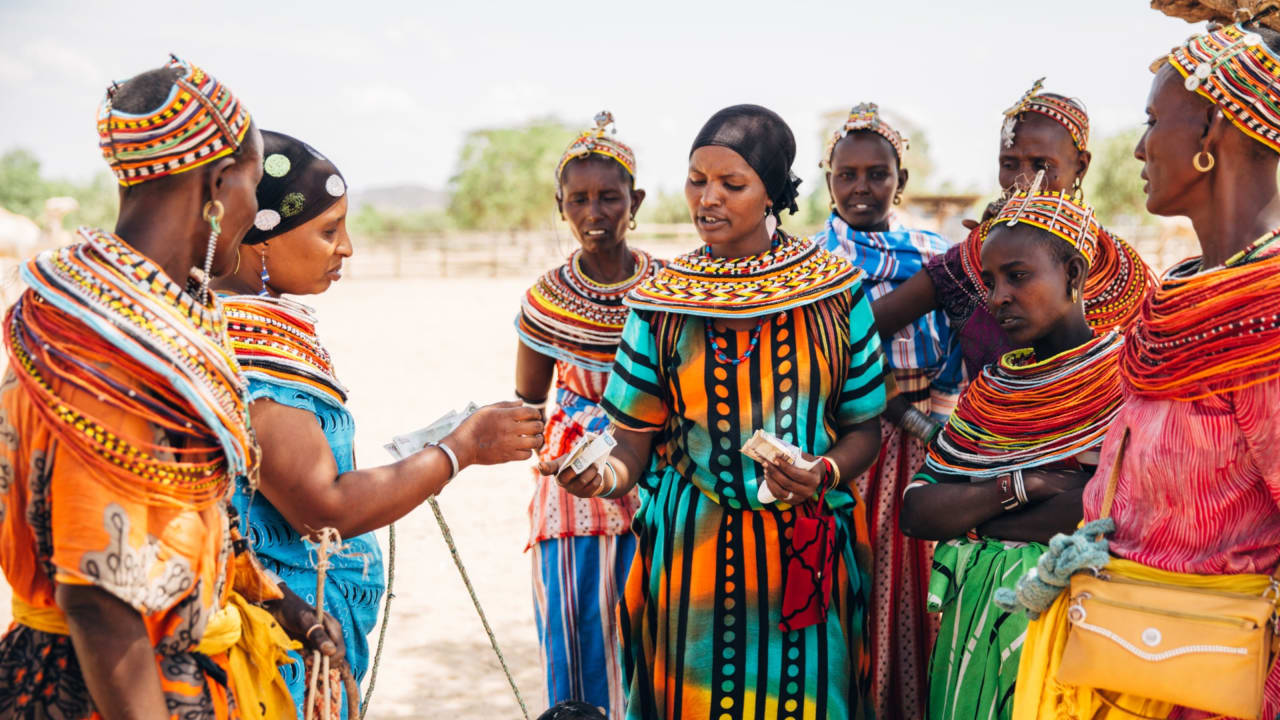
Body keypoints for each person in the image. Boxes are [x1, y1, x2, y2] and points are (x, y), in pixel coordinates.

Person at [0, 56, 338, 720]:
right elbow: (100, 602)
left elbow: (186, 512)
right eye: (249, 185)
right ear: (218, 187)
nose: (251, 210)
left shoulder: (155, 321)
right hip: (106, 691)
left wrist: (276, 602)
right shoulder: (106, 351)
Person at [548, 104, 886, 719]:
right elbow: (632, 441)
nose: (708, 198)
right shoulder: (660, 303)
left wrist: (823, 473)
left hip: (802, 555)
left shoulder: (836, 292)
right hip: (692, 563)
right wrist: (599, 477)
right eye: (697, 179)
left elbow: (865, 428)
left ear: (773, 195)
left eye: (733, 185)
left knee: (809, 701)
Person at [213, 130, 544, 718]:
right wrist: (458, 450)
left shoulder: (253, 328)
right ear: (259, 238)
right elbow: (321, 506)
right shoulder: (246, 348)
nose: (347, 249)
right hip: (274, 650)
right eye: (327, 230)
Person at [1012, 20, 1280, 719]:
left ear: (1212, 133)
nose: (1136, 145)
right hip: (1122, 655)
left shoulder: (1269, 312)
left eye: (1154, 119)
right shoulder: (1180, 294)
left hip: (1213, 682)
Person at [899, 189, 1125, 720]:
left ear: (1073, 273)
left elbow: (1111, 511)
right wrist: (1032, 485)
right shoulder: (991, 392)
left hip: (1085, 628)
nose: (998, 296)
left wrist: (976, 515)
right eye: (991, 282)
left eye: (1017, 276)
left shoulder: (1127, 379)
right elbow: (918, 510)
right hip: (972, 632)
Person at [811, 102, 962, 720]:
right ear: (828, 182)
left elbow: (963, 338)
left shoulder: (935, 252)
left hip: (931, 436)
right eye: (847, 175)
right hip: (847, 438)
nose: (862, 187)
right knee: (852, 584)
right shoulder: (810, 261)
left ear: (901, 178)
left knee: (924, 585)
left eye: (878, 173)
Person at [513, 112, 661, 719]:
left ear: (637, 202)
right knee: (577, 629)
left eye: (609, 197)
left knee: (657, 626)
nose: (594, 213)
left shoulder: (668, 288)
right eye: (579, 200)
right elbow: (528, 404)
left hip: (657, 467)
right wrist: (544, 454)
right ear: (560, 206)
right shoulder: (545, 299)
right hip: (575, 485)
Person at [873, 79, 1154, 378]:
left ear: (1081, 166)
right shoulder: (966, 265)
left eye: (1041, 165)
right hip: (984, 422)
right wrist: (906, 415)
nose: (1022, 180)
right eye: (1009, 164)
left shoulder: (1126, 278)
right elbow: (860, 333)